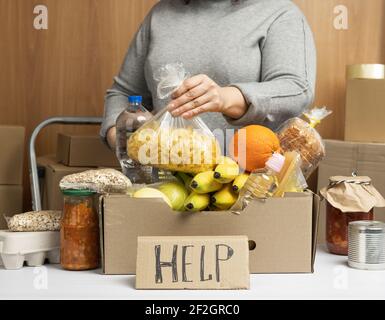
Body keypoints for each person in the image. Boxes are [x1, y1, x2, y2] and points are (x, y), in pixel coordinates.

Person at [101, 0, 316, 149]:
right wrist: (120, 139)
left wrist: (226, 98)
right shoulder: (160, 15)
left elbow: (296, 89)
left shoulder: (279, 13)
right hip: (162, 182)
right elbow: (124, 93)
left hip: (250, 184)